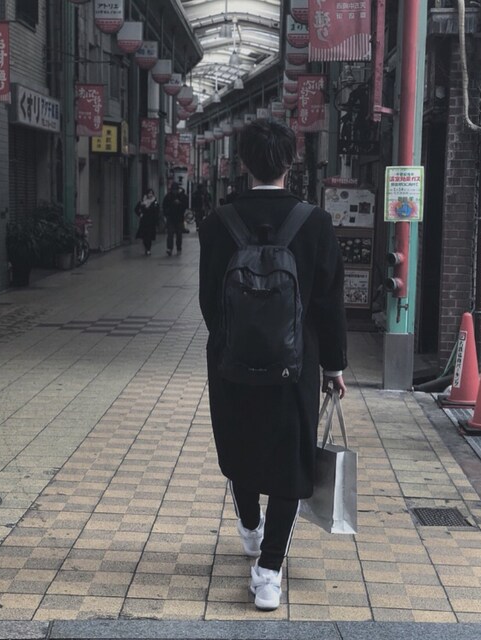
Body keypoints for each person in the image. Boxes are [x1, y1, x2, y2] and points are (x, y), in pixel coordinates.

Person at [198, 119, 347, 611]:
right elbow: (329, 303)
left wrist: (235, 341)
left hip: (231, 360)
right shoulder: (315, 222)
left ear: (243, 163)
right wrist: (333, 366)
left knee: (240, 445)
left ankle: (248, 526)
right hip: (295, 363)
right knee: (290, 462)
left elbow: (207, 301)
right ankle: (268, 574)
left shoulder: (218, 222)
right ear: (291, 162)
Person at [162, 182, 188, 255]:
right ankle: (169, 248)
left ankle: (179, 248)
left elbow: (185, 206)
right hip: (171, 218)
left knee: (179, 234)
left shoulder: (182, 196)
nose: (175, 191)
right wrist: (167, 214)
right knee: (170, 234)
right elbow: (164, 207)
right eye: (173, 189)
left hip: (179, 218)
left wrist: (180, 204)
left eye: (176, 189)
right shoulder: (168, 197)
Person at [134, 188, 159, 256]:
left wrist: (156, 220)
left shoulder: (155, 201)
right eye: (149, 193)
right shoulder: (142, 201)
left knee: (149, 236)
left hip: (151, 222)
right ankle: (146, 248)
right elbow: (136, 209)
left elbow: (157, 210)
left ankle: (148, 249)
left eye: (151, 193)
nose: (150, 195)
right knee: (144, 236)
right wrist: (140, 214)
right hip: (144, 221)